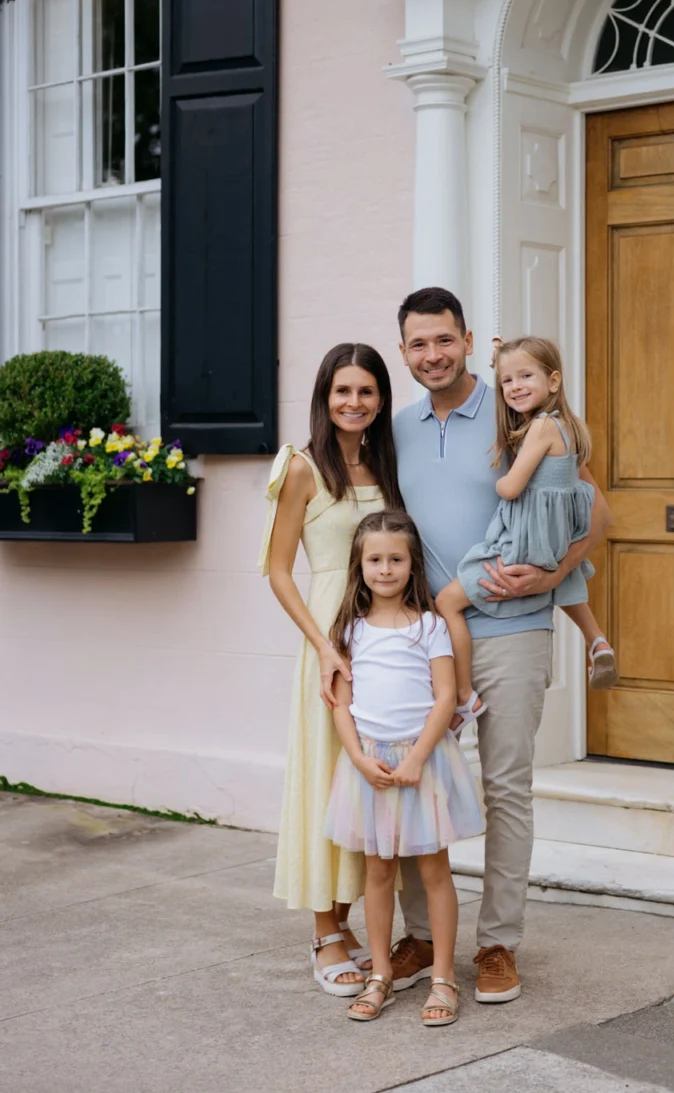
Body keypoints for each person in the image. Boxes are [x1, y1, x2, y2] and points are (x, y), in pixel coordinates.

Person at [391, 288, 611, 1004]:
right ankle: (424, 935)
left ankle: (497, 942)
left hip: (512, 627)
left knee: (506, 786)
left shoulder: (516, 409)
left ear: (468, 339)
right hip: (425, 637)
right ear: (404, 351)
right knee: (414, 780)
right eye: (418, 344)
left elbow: (594, 509)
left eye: (444, 340)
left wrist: (552, 570)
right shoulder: (399, 428)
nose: (433, 355)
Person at [260, 343, 403, 997]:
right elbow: (278, 568)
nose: (354, 402)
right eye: (342, 390)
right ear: (324, 395)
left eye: (366, 391)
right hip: (331, 638)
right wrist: (323, 644)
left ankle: (353, 919)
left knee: (367, 780)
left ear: (380, 398)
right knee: (328, 777)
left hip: (384, 635)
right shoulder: (302, 467)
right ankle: (325, 930)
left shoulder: (384, 461)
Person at [324, 511, 483, 1025]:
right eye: (375, 559)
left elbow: (445, 699)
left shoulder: (430, 626)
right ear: (360, 564)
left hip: (422, 763)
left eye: (396, 559)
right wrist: (357, 757)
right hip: (369, 764)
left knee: (435, 869)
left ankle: (443, 977)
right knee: (378, 870)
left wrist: (416, 759)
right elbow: (340, 705)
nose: (385, 569)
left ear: (412, 566)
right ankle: (381, 977)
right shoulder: (348, 630)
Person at [436, 334, 617, 724]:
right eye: (506, 381)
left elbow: (512, 486)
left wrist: (498, 483)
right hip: (555, 539)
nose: (515, 387)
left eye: (526, 377)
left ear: (553, 381)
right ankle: (597, 641)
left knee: (446, 602)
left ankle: (465, 695)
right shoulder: (571, 427)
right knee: (563, 580)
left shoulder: (540, 428)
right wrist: (498, 361)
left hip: (525, 540)